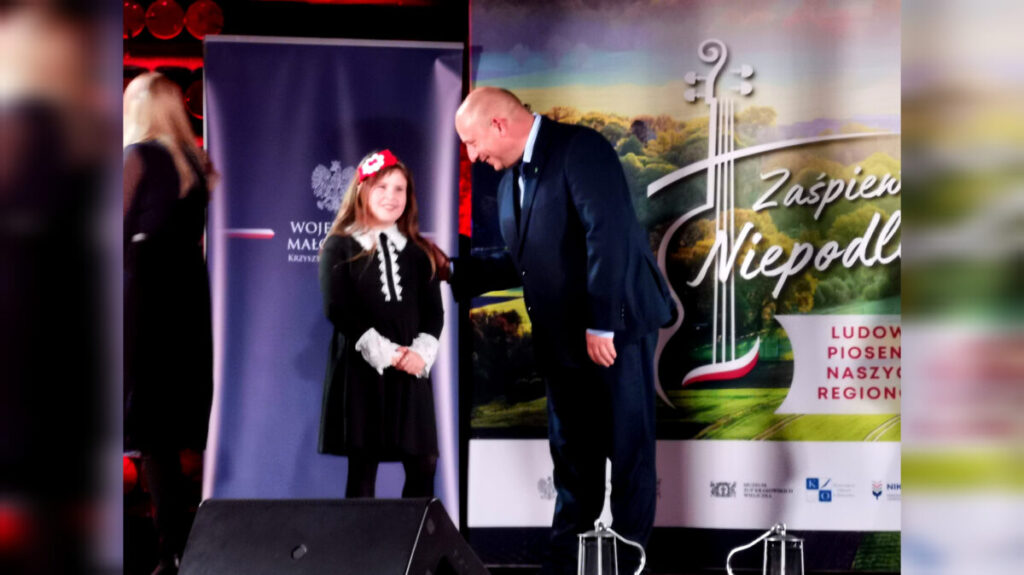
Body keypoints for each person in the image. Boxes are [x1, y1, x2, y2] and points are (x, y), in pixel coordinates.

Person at [448, 87, 675, 574]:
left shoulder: (581, 148)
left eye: (471, 142)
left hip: (615, 331)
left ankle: (626, 565)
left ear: (498, 125)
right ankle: (566, 564)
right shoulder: (509, 183)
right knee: (572, 459)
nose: (472, 155)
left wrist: (602, 324)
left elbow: (608, 236)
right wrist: (450, 270)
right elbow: (525, 262)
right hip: (562, 342)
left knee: (629, 455)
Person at [123, 72, 216, 575]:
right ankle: (183, 544)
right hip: (188, 300)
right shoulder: (198, 164)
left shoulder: (136, 157)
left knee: (152, 428)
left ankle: (170, 548)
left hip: (144, 298)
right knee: (176, 428)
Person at [318, 149, 444, 499]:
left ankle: (412, 535)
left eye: (399, 189)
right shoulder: (340, 246)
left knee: (423, 462)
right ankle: (360, 537)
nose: (392, 196)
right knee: (363, 466)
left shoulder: (419, 251)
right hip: (363, 369)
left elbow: (434, 313)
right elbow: (337, 307)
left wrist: (419, 354)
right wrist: (386, 353)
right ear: (362, 191)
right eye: (382, 187)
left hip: (411, 368)